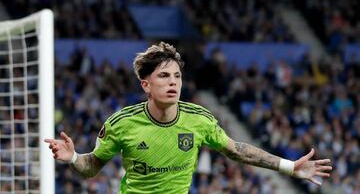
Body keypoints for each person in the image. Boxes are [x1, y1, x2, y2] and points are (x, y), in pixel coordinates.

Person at [45, 42, 332, 193]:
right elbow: (91, 167)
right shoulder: (121, 124)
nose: (173, 82)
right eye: (164, 76)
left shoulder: (199, 120)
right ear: (146, 85)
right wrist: (72, 158)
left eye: (177, 76)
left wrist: (289, 167)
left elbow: (237, 150)